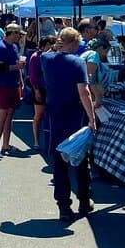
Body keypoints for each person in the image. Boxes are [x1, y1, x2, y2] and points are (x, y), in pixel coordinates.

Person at [41, 27, 97, 221]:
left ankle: (64, 206)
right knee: (80, 158)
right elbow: (84, 92)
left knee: (59, 162)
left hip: (55, 113)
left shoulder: (47, 60)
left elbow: (45, 53)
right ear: (74, 43)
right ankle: (84, 199)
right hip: (75, 114)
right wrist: (92, 118)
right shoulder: (78, 62)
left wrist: (56, 46)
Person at [0, 24, 25, 157]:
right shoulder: (0, 47)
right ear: (12, 33)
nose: (20, 36)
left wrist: (20, 82)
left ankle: (6, 144)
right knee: (2, 114)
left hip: (13, 84)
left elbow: (18, 66)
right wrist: (16, 67)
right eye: (18, 34)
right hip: (3, 85)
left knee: (10, 115)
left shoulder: (14, 47)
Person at [28, 36, 57, 152]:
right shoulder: (36, 57)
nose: (52, 48)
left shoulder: (53, 57)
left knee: (50, 115)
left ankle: (50, 140)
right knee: (38, 115)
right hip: (40, 88)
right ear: (44, 46)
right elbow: (33, 76)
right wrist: (36, 90)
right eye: (51, 45)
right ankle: (36, 140)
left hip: (51, 89)